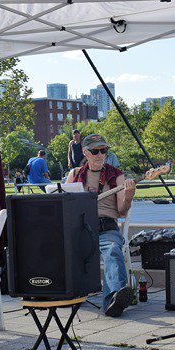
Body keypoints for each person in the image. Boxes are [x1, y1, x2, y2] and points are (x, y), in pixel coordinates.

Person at [66, 133, 136, 317]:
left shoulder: (116, 175)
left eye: (103, 150)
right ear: (84, 152)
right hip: (78, 228)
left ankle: (114, 300)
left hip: (106, 227)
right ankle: (55, 293)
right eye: (95, 151)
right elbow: (62, 204)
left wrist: (128, 196)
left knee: (113, 249)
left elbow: (122, 211)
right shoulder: (74, 175)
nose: (100, 155)